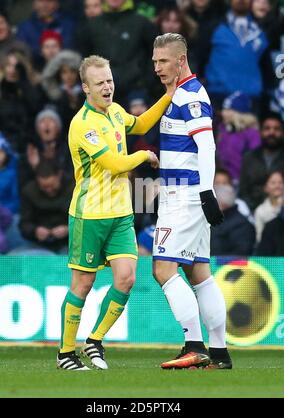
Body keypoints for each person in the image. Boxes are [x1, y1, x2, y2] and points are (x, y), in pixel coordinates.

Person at [57, 54, 176, 371]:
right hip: (90, 214)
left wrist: (167, 96)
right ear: (86, 88)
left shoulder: (115, 112)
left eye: (109, 80)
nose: (107, 87)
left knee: (126, 279)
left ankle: (94, 341)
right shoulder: (84, 125)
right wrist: (145, 155)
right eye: (100, 83)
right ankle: (66, 353)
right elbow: (113, 163)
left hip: (122, 212)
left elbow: (139, 124)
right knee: (83, 284)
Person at [152, 33, 232, 369]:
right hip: (184, 196)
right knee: (200, 273)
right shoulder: (179, 93)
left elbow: (207, 146)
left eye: (164, 61)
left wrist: (205, 192)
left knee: (163, 269)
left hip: (184, 197)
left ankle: (193, 345)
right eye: (155, 61)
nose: (157, 68)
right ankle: (219, 353)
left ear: (181, 60)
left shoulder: (191, 96)